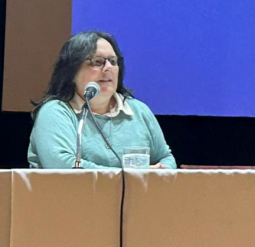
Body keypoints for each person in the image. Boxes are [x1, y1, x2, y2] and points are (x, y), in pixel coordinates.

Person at [28, 31, 176, 169]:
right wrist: (128, 176)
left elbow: (165, 158)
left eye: (113, 61)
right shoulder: (56, 111)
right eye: (97, 62)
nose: (108, 68)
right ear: (71, 71)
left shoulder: (138, 110)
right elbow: (62, 164)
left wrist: (162, 170)